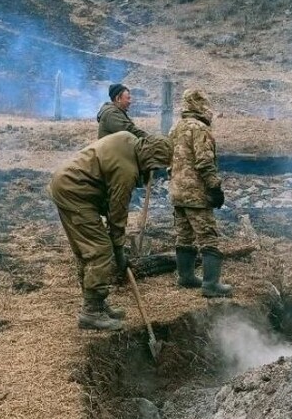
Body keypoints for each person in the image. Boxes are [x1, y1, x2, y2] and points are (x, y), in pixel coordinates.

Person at [49, 132, 173, 331]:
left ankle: (96, 303)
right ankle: (91, 311)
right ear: (151, 158)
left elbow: (107, 189)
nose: (154, 171)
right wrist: (118, 248)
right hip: (75, 191)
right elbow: (117, 212)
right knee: (99, 249)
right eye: (156, 165)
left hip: (67, 185)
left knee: (88, 249)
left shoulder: (128, 139)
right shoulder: (127, 170)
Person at [168, 87, 232, 297]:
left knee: (184, 235)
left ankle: (185, 277)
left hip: (177, 192)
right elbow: (204, 162)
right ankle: (211, 284)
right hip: (195, 194)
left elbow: (168, 158)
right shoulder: (200, 129)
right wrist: (215, 188)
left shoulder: (176, 127)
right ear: (200, 105)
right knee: (208, 236)